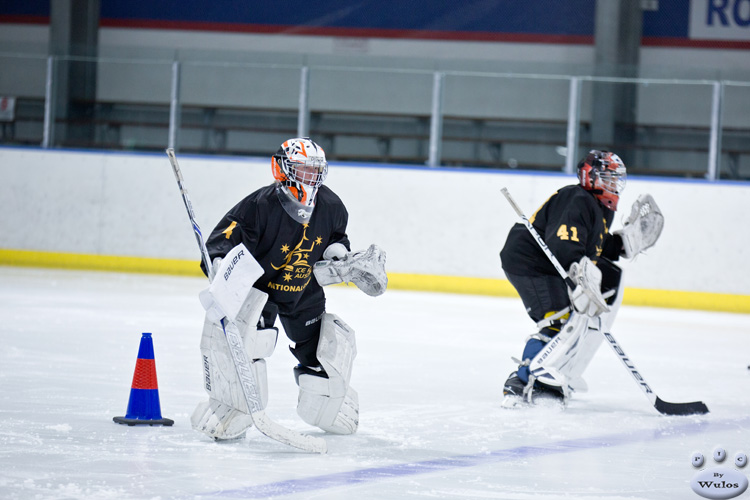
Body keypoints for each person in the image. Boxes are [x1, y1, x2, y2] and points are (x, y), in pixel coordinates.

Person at [190, 137, 387, 440]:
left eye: (315, 170)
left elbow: (335, 238)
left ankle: (328, 405)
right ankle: (231, 406)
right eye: (303, 169)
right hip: (259, 291)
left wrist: (341, 257)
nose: (311, 177)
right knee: (242, 344)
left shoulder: (332, 206)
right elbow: (224, 239)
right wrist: (218, 264)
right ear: (281, 169)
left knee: (328, 351)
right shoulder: (258, 206)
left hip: (303, 291)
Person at [499, 150, 663, 407]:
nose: (614, 185)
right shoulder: (577, 198)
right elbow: (564, 244)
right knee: (558, 321)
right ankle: (523, 382)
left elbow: (593, 244)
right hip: (530, 263)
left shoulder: (598, 208)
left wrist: (621, 244)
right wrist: (580, 275)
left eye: (616, 179)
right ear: (591, 177)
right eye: (608, 178)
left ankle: (559, 370)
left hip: (547, 265)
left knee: (579, 316)